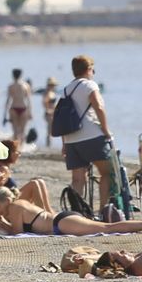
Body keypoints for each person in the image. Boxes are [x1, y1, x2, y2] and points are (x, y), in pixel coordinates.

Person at [0, 184, 142, 236]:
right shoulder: (19, 204)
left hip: (62, 223)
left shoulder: (14, 207)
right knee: (106, 227)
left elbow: (18, 232)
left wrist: (4, 225)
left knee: (107, 228)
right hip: (62, 220)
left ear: (6, 201)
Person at [59, 55, 115, 204]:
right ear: (89, 69)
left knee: (77, 179)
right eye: (93, 69)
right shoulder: (90, 85)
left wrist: (64, 143)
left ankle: (76, 212)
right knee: (106, 173)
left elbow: (62, 118)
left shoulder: (66, 89)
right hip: (91, 136)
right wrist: (105, 129)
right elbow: (99, 107)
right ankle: (104, 209)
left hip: (71, 139)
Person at [5, 69, 32, 140]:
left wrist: (5, 114)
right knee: (23, 131)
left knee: (15, 131)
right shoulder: (26, 85)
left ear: (13, 75)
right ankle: (21, 148)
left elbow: (8, 100)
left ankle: (16, 149)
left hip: (14, 108)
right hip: (23, 108)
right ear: (21, 75)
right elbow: (29, 101)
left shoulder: (11, 86)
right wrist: (30, 112)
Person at [39, 77, 58, 146]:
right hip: (49, 113)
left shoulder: (52, 92)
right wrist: (48, 110)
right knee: (49, 130)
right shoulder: (47, 93)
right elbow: (44, 102)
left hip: (53, 112)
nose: (53, 86)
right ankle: (48, 145)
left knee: (51, 130)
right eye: (51, 85)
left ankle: (49, 144)